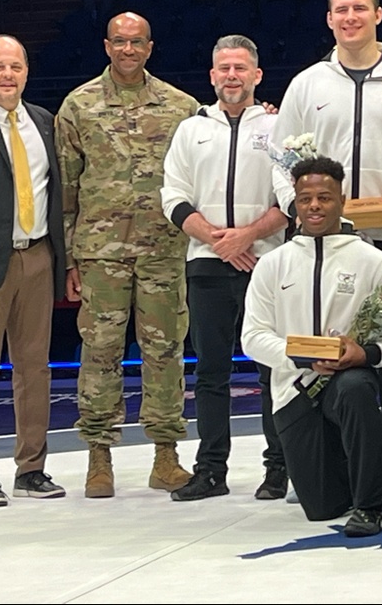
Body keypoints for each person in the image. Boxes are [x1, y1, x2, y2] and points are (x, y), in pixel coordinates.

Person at [272, 0, 382, 497]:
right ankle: (328, 459)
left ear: (378, 15)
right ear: (329, 19)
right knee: (327, 349)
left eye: (359, 8)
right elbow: (281, 163)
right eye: (341, 10)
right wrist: (296, 211)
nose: (350, 17)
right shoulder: (307, 85)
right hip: (326, 241)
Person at [56, 12, 201, 498]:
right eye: (119, 41)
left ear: (150, 46)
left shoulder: (181, 107)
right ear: (106, 45)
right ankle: (99, 458)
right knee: (100, 352)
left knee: (165, 349)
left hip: (164, 248)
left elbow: (197, 177)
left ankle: (166, 455)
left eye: (136, 41)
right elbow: (67, 189)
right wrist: (70, 259)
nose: (127, 49)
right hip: (100, 252)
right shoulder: (78, 106)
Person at [240, 156, 382, 537]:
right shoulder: (272, 264)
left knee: (355, 388)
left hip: (348, 380)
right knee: (322, 508)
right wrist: (301, 357)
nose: (315, 206)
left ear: (341, 199)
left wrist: (368, 355)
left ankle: (370, 506)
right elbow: (253, 338)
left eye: (324, 197)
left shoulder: (373, 261)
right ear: (296, 204)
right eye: (306, 199)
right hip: (294, 390)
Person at [161, 35, 292, 502]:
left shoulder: (280, 128)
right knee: (210, 373)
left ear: (256, 75)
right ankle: (211, 470)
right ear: (212, 75)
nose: (232, 75)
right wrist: (221, 240)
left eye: (240, 68)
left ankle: (279, 468)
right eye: (224, 68)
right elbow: (173, 198)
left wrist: (248, 235)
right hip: (206, 262)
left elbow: (292, 200)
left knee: (271, 368)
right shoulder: (189, 130)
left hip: (268, 262)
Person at [0, 35, 67, 507]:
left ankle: (31, 469)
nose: (7, 75)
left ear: (27, 71)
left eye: (15, 66)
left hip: (37, 256)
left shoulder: (43, 122)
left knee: (34, 369)